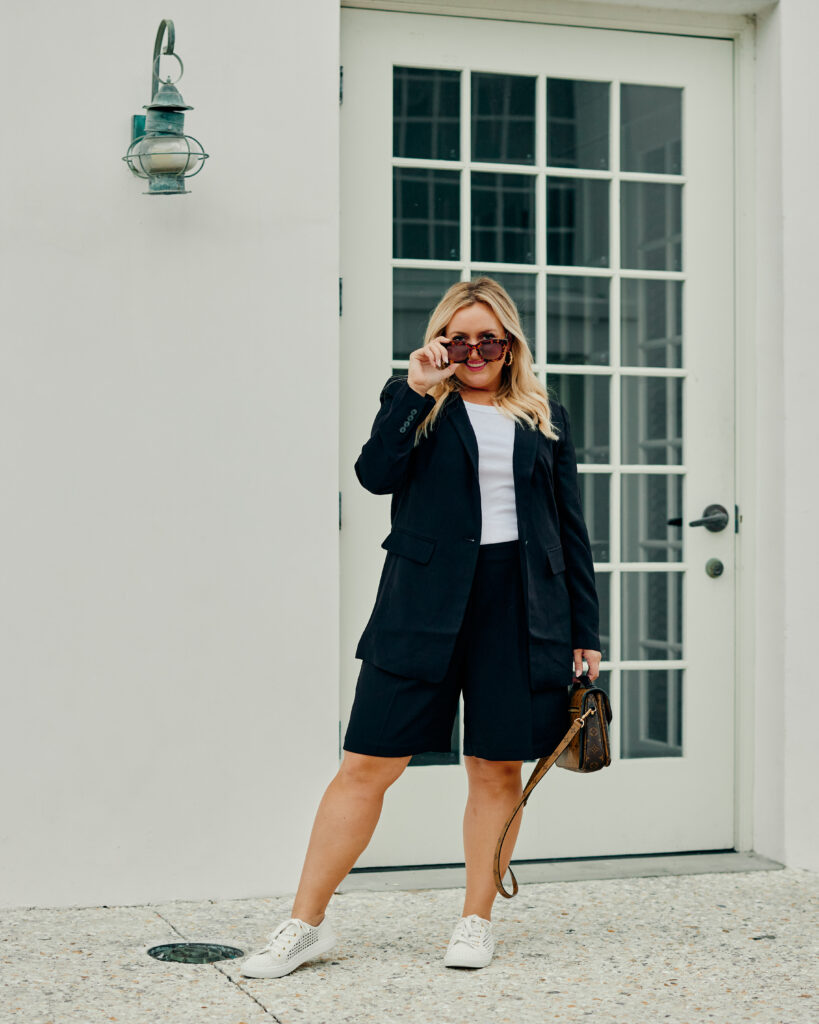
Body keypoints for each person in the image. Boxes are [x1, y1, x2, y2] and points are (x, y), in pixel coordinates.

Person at [241, 277, 601, 978]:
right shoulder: (415, 402)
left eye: (487, 338)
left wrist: (585, 629)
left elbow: (570, 528)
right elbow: (375, 475)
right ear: (440, 342)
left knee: (496, 767)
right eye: (457, 338)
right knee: (366, 765)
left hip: (523, 608)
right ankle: (304, 924)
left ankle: (474, 920)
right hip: (421, 606)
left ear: (509, 344)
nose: (473, 350)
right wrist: (415, 389)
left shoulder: (542, 413)